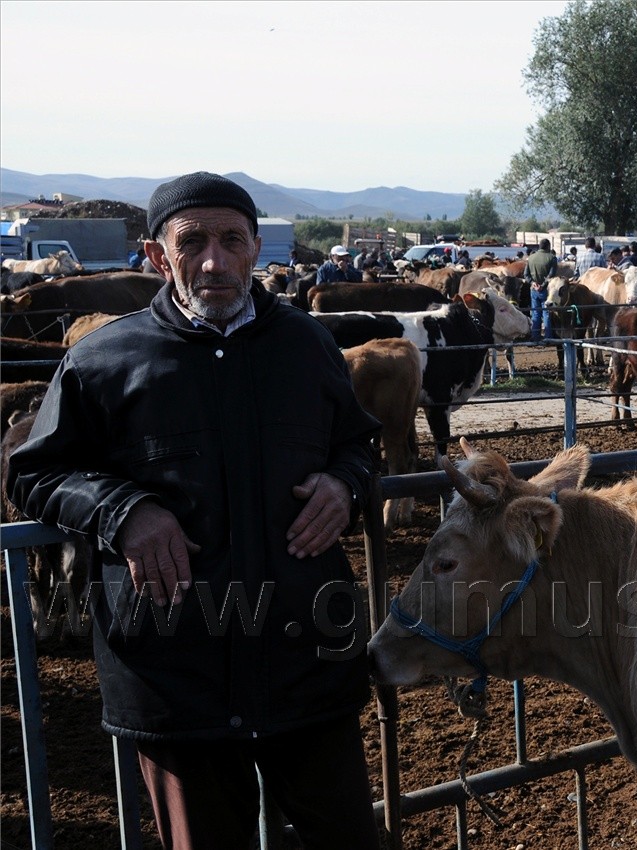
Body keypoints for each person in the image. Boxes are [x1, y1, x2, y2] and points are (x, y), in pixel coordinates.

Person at [5, 172, 381, 850]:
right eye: (193, 242)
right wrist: (122, 510)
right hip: (176, 672)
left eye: (232, 240)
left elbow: (359, 442)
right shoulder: (104, 360)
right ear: (157, 256)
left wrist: (344, 484)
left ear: (256, 248)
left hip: (305, 655)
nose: (214, 261)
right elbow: (33, 471)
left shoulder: (308, 346)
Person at [525, 237, 559, 342]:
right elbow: (551, 274)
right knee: (547, 313)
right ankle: (548, 338)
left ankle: (535, 336)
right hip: (547, 290)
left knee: (535, 313)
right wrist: (543, 286)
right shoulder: (552, 258)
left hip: (534, 289)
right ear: (548, 246)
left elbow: (526, 275)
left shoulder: (531, 258)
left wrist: (533, 283)